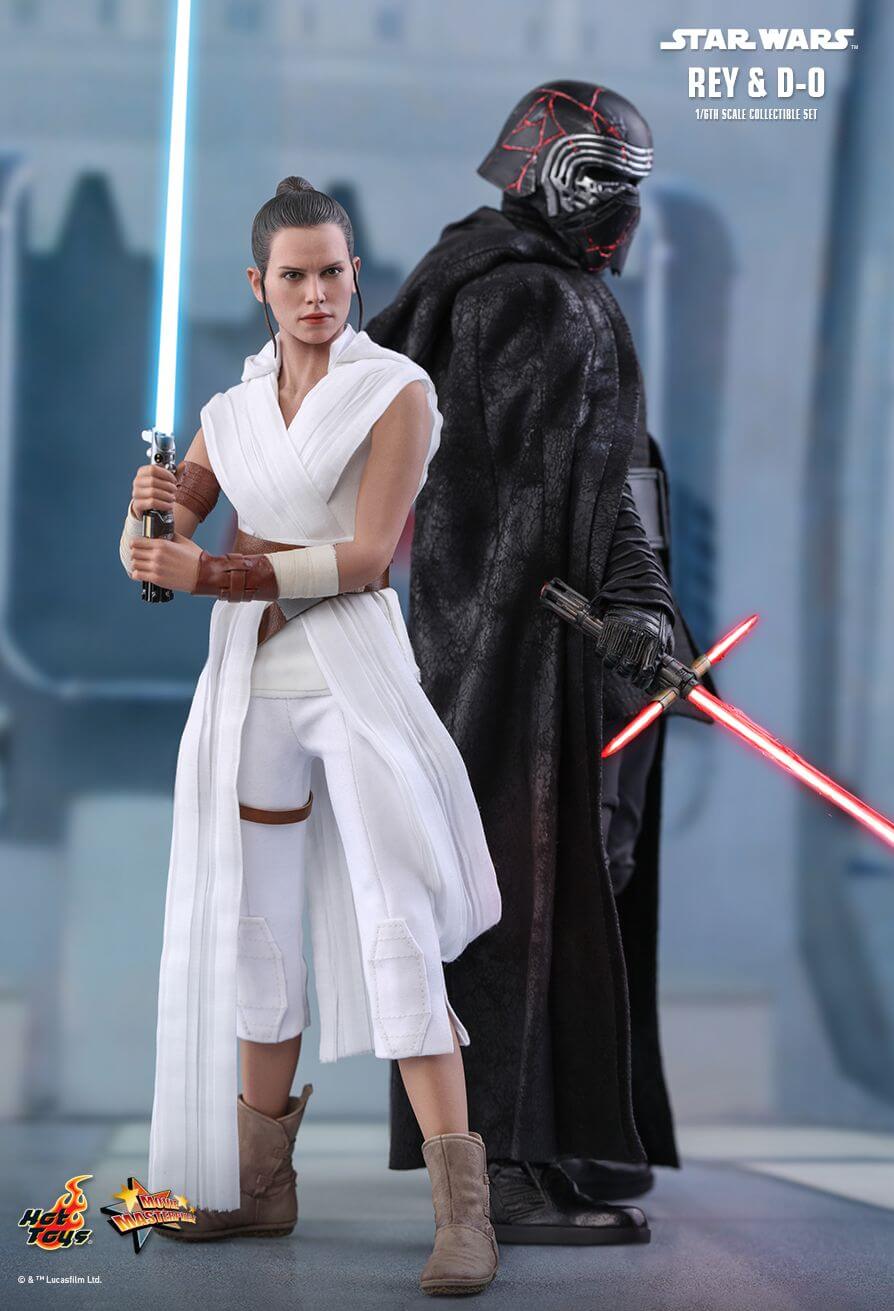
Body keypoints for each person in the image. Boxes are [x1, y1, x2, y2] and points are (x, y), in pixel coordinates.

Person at [119, 177, 502, 1297]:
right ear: (261, 284)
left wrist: (214, 571)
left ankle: (463, 1212)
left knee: (397, 922)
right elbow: (166, 539)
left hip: (356, 678)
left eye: (333, 270)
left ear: (354, 274)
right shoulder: (232, 413)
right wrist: (146, 517)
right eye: (295, 274)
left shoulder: (395, 393)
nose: (317, 292)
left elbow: (369, 557)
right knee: (256, 929)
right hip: (254, 688)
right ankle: (258, 1183)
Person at [367, 80, 711, 1243]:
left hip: (554, 649)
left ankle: (547, 1144)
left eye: (632, 185)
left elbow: (598, 477)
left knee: (563, 886)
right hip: (522, 658)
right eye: (601, 178)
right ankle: (501, 1167)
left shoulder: (520, 284)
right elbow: (531, 500)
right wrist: (622, 606)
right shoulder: (525, 296)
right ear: (541, 169)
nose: (623, 210)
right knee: (513, 893)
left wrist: (644, 612)